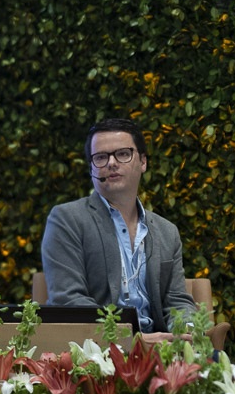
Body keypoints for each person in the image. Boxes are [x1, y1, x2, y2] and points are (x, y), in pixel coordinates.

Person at [41, 117, 196, 340]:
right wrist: (132, 339)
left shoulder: (166, 231)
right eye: (101, 157)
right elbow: (69, 302)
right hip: (99, 352)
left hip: (164, 347)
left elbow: (177, 301)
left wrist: (188, 331)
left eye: (123, 154)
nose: (111, 163)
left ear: (143, 162)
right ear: (91, 168)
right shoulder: (67, 219)